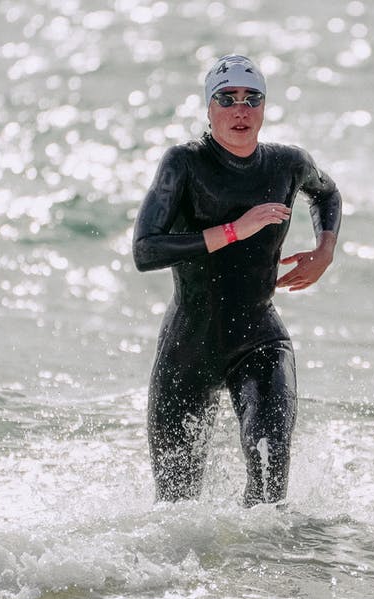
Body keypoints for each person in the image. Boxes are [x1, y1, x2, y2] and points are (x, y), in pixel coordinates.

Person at [133, 54, 342, 506]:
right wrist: (234, 230)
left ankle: (263, 572)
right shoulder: (184, 164)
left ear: (265, 108)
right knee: (176, 505)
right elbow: (145, 249)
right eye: (226, 99)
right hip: (189, 345)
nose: (240, 110)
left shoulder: (287, 163)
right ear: (209, 109)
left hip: (258, 338)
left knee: (270, 470)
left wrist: (325, 249)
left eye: (252, 99)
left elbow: (326, 192)